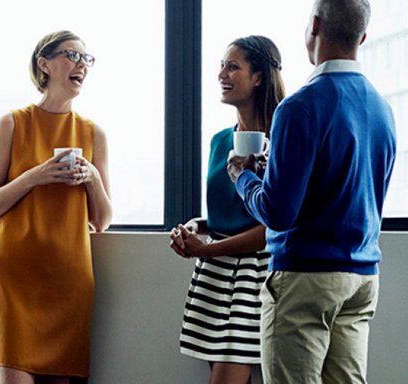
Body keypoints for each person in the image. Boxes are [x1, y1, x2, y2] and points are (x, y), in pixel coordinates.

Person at [227, 1, 396, 382]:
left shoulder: (298, 107)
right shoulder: (382, 109)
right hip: (362, 278)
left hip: (306, 277)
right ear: (362, 37)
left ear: (314, 26)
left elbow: (278, 213)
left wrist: (243, 177)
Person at [0, 30, 112, 384]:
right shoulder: (13, 123)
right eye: (72, 55)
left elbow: (103, 221)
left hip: (68, 281)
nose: (81, 65)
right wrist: (34, 176)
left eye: (86, 59)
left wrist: (93, 179)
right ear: (44, 64)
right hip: (15, 279)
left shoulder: (93, 133)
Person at [169, 35, 285, 384]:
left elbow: (274, 225)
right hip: (215, 274)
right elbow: (229, 214)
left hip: (256, 274)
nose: (222, 73)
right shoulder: (220, 141)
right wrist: (196, 225)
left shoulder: (283, 137)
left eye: (232, 66)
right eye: (222, 65)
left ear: (259, 76)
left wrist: (206, 249)